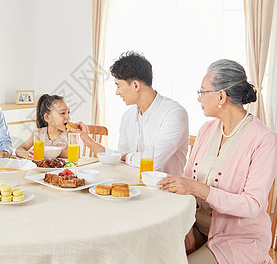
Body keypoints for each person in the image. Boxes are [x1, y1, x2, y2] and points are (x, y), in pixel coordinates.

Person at [159, 59, 277, 264]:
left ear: (221, 96)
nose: (199, 98)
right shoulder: (206, 130)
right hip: (197, 227)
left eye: (202, 91)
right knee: (152, 252)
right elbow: (186, 184)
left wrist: (198, 188)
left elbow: (252, 205)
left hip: (238, 239)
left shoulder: (265, 141)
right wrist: (185, 228)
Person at [74, 50, 189, 176]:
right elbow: (121, 159)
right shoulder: (128, 116)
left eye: (118, 86)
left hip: (166, 190)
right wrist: (88, 140)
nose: (117, 92)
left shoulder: (174, 113)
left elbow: (152, 162)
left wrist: (126, 157)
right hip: (132, 185)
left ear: (135, 85)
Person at [16, 94, 71, 159]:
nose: (68, 117)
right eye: (63, 113)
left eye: (68, 112)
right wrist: (26, 154)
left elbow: (76, 153)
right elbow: (19, 149)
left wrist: (51, 152)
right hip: (41, 168)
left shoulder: (69, 134)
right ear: (47, 117)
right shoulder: (39, 133)